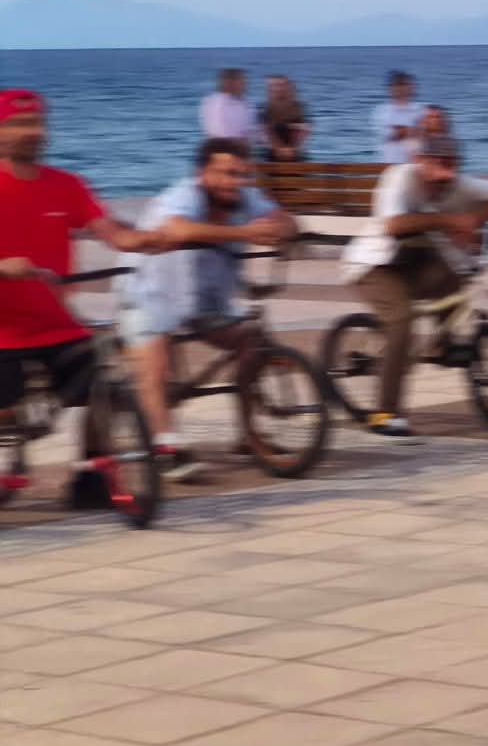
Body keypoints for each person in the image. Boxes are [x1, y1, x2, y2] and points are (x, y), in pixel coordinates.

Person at [0, 90, 163, 507]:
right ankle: (9, 452)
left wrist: (144, 241)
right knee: (7, 410)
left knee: (102, 385)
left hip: (58, 323)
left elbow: (109, 230)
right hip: (3, 331)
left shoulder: (67, 185)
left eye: (37, 123)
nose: (31, 132)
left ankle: (89, 476)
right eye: (18, 124)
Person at [121, 138, 297, 480]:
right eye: (225, 173)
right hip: (151, 290)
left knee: (254, 343)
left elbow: (287, 222)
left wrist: (280, 229)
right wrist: (243, 232)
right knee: (156, 363)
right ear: (202, 173)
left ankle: (249, 435)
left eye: (241, 174)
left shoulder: (246, 198)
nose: (234, 181)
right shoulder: (183, 196)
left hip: (206, 299)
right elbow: (177, 228)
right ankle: (166, 448)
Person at [339, 135, 488, 440]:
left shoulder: (458, 185)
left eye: (451, 168)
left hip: (414, 262)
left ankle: (442, 344)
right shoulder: (400, 178)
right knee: (402, 322)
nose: (444, 179)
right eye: (438, 168)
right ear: (420, 162)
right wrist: (449, 221)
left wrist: (474, 219)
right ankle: (385, 414)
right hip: (374, 264)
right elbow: (393, 225)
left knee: (455, 277)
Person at [373, 71, 423, 166]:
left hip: (416, 166)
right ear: (390, 88)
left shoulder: (420, 110)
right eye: (398, 85)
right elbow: (392, 134)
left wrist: (404, 130)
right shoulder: (382, 111)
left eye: (404, 85)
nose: (401, 89)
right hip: (389, 165)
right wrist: (415, 130)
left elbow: (427, 134)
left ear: (411, 87)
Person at [199, 68, 257, 146]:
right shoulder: (217, 103)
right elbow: (220, 133)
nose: (246, 85)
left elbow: (251, 131)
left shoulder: (243, 104)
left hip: (237, 148)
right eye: (242, 81)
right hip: (226, 148)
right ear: (230, 83)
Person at [260, 75, 310, 162]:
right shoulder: (265, 109)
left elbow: (303, 130)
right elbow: (265, 131)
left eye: (282, 86)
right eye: (274, 87)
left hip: (295, 154)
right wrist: (278, 149)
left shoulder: (298, 108)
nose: (279, 89)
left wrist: (292, 149)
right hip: (271, 154)